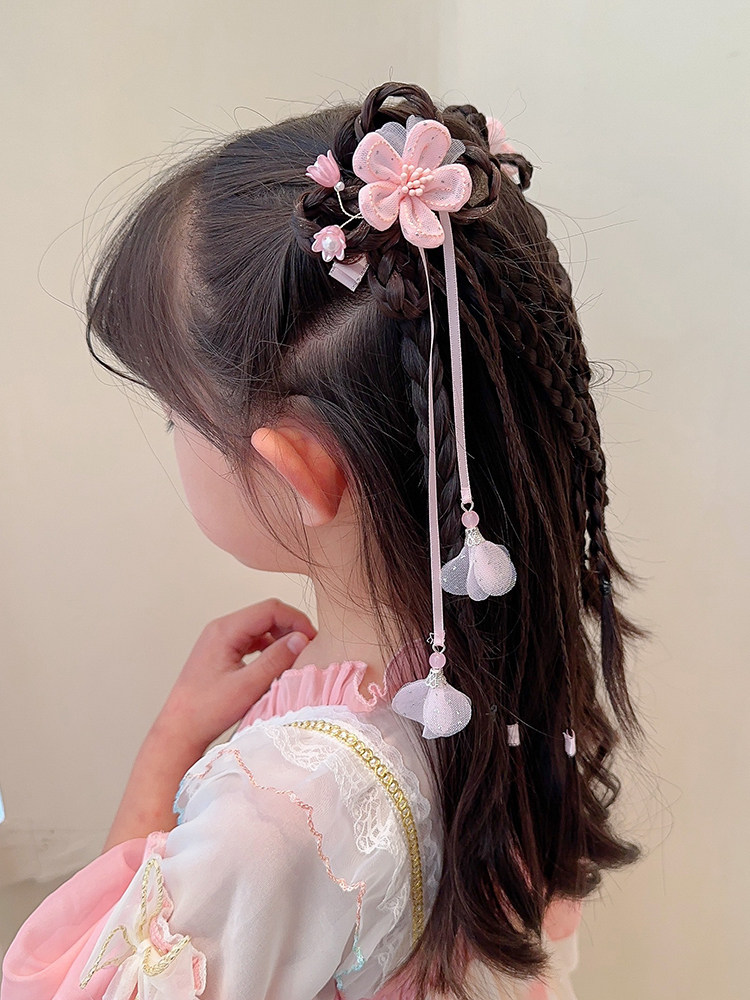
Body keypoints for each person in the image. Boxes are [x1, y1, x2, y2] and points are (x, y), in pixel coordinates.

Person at [1, 80, 646, 1000]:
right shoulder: (497, 663)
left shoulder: (275, 826)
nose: (174, 439)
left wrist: (163, 755)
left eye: (179, 416)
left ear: (296, 469)